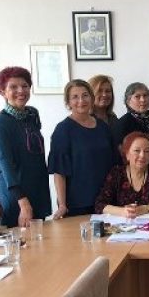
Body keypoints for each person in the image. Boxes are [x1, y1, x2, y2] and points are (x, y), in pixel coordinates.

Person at [48, 80, 116, 218]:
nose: (81, 101)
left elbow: (114, 163)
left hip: (106, 200)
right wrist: (62, 205)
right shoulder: (63, 130)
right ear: (68, 102)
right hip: (78, 203)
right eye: (75, 97)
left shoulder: (103, 127)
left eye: (85, 95)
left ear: (91, 98)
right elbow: (59, 172)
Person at [0, 67, 51, 227]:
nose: (21, 91)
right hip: (16, 196)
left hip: (38, 191)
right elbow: (5, 164)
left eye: (25, 86)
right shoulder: (1, 122)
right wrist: (23, 203)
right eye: (13, 87)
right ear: (2, 92)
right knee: (18, 240)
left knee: (41, 238)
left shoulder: (32, 115)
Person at [95, 132, 149, 216]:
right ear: (127, 154)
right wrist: (122, 211)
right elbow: (100, 204)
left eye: (147, 151)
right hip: (122, 223)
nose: (142, 155)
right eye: (137, 151)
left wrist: (145, 209)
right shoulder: (117, 173)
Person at [113, 82, 149, 147]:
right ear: (128, 101)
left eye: (145, 95)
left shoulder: (147, 120)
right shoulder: (123, 124)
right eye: (137, 96)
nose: (143, 100)